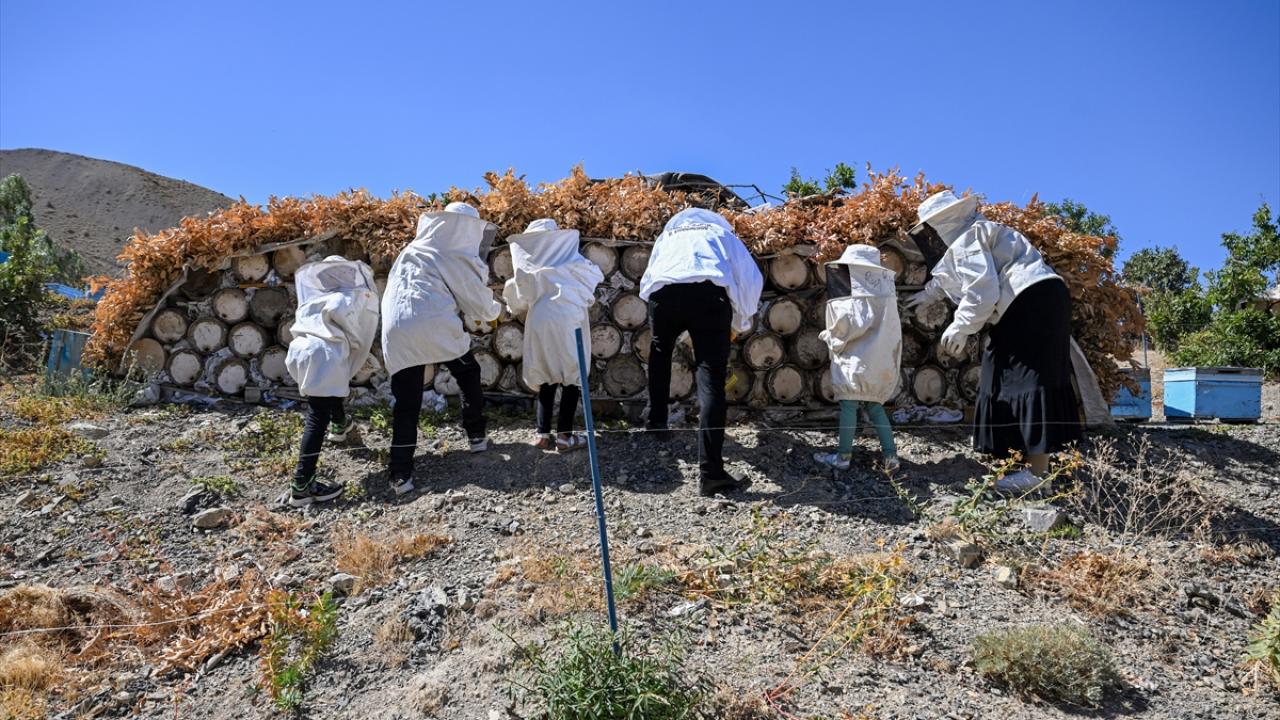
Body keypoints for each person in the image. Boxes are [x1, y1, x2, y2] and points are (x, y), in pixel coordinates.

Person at [905, 190, 1081, 491]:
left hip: (1028, 302)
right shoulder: (980, 231)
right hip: (1044, 298)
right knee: (1002, 374)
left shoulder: (967, 239)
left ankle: (1036, 477)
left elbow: (983, 291)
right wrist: (928, 294)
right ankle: (1021, 468)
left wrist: (961, 326)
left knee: (1027, 379)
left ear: (940, 224)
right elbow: (956, 276)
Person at [639, 208, 764, 496]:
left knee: (660, 353)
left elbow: (648, 280)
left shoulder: (667, 236)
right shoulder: (721, 234)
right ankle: (711, 473)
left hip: (663, 294)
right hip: (708, 296)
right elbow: (750, 278)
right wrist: (740, 321)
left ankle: (656, 423)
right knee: (710, 377)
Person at [381, 201, 502, 496]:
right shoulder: (452, 252)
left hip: (397, 331)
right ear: (464, 229)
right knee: (468, 371)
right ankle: (476, 435)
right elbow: (477, 300)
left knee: (407, 403)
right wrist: (494, 311)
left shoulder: (411, 250)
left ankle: (401, 476)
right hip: (434, 324)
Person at [284, 256, 380, 507]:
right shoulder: (343, 299)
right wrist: (363, 355)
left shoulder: (314, 299)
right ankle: (302, 485)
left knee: (326, 396)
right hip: (323, 355)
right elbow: (356, 335)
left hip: (299, 352)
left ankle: (340, 425)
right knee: (317, 415)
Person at [502, 218, 604, 451]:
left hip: (540, 317)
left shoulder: (529, 267)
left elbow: (516, 300)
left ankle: (542, 434)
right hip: (569, 315)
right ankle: (564, 437)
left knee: (546, 375)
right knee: (572, 376)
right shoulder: (573, 262)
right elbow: (593, 278)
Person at [813, 245, 901, 472]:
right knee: (874, 405)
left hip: (857, 360)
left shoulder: (861, 296)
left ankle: (843, 457)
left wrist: (830, 336)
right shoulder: (885, 294)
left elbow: (850, 325)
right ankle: (891, 457)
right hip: (880, 359)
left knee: (849, 404)